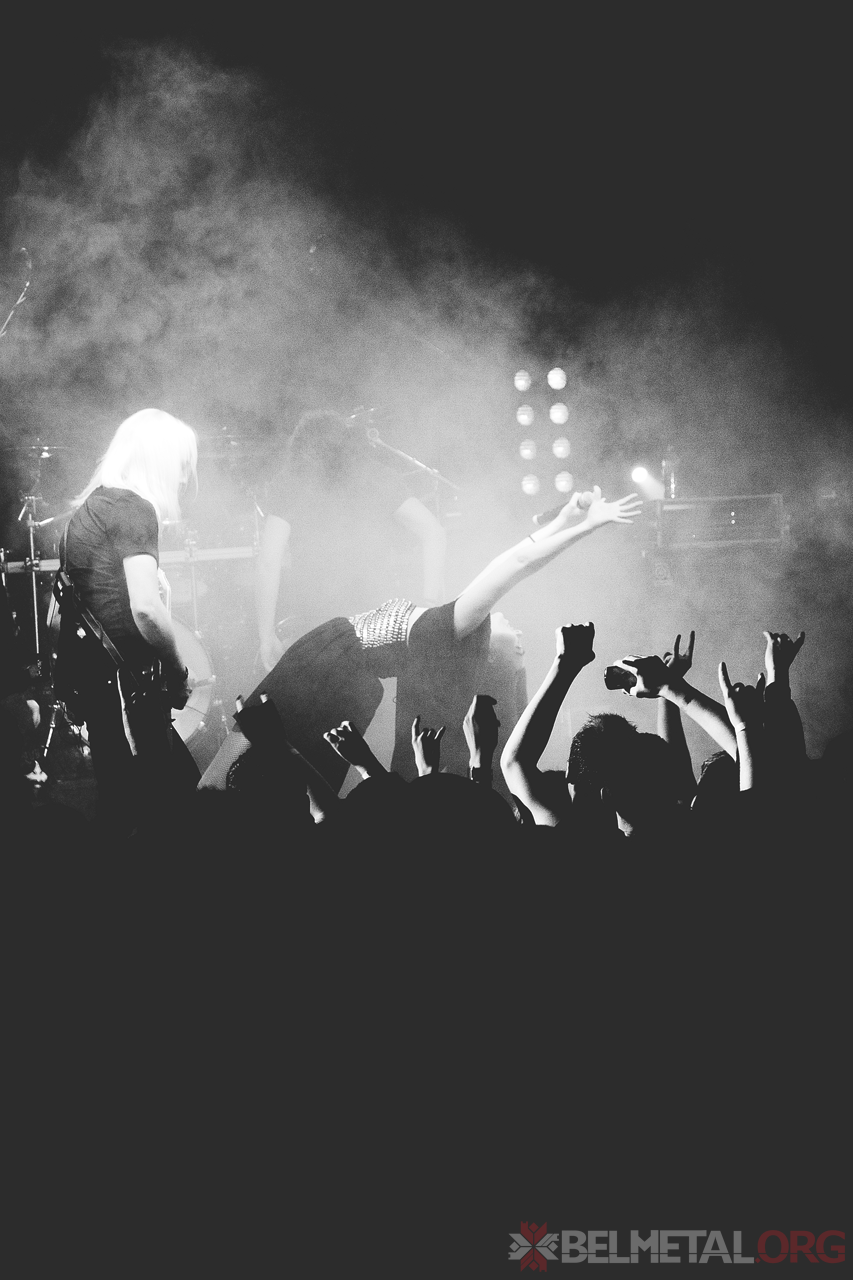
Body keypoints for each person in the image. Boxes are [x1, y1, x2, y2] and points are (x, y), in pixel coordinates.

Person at [201, 485, 642, 794]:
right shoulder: (446, 631)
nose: (516, 626)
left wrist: (590, 526)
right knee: (260, 759)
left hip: (331, 662)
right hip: (337, 662)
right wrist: (565, 519)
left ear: (499, 654)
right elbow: (513, 557)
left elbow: (517, 565)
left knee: (256, 765)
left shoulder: (451, 630)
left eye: (518, 639)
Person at [61, 408, 200, 839]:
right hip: (129, 689)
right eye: (182, 465)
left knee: (124, 804)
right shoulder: (134, 508)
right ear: (159, 460)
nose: (184, 478)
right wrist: (178, 672)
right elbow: (146, 609)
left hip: (101, 685)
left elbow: (61, 614)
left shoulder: (90, 510)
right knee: (167, 809)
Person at [254, 409, 448, 673]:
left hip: (317, 626)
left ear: (300, 447)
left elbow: (268, 563)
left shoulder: (290, 483)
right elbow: (434, 532)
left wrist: (266, 636)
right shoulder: (376, 475)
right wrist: (430, 605)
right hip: (379, 624)